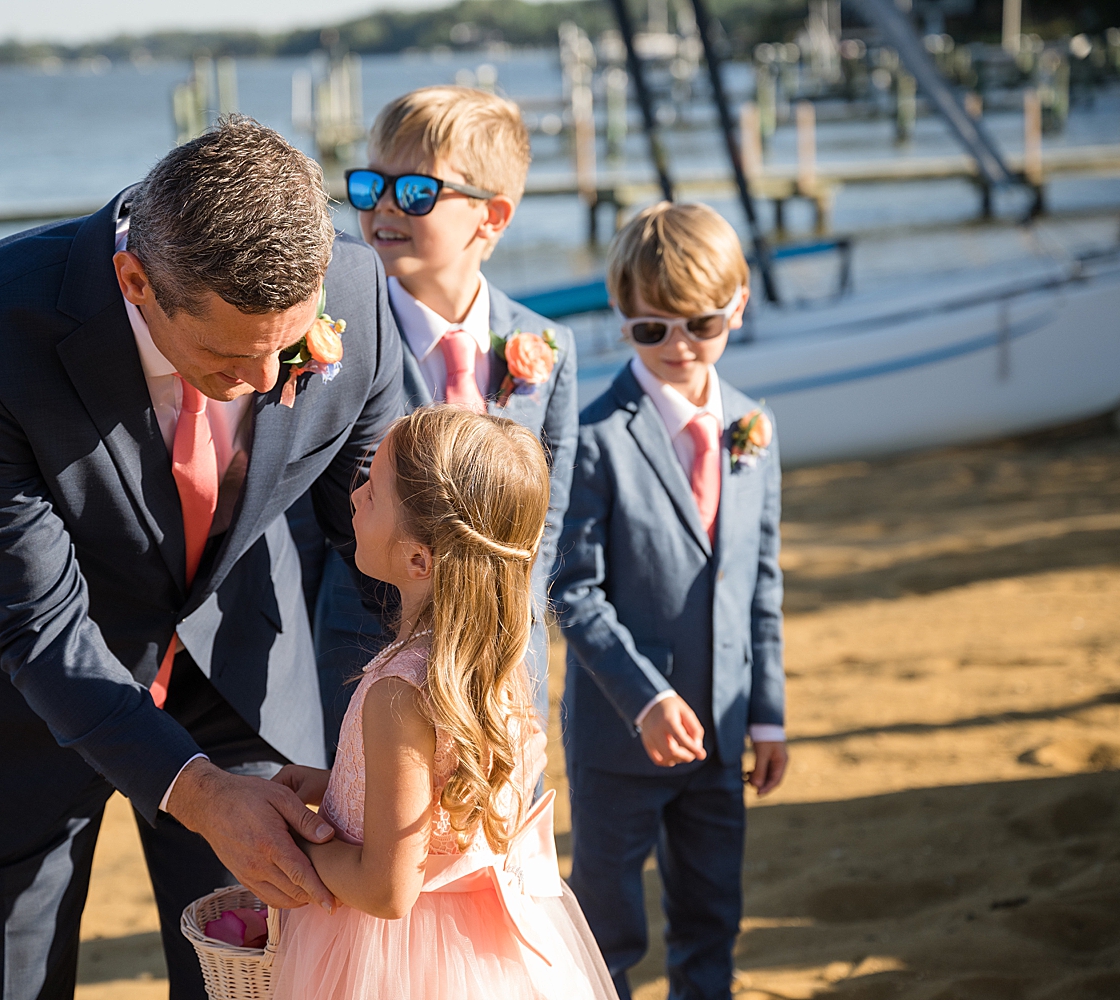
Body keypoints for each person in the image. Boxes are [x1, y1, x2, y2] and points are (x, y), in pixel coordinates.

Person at [0, 116, 405, 1000]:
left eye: (285, 349)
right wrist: (197, 794)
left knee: (248, 985)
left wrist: (447, 693)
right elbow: (37, 622)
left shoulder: (356, 293)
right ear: (134, 280)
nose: (264, 382)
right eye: (225, 357)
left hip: (239, 680)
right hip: (20, 709)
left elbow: (383, 544)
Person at [269, 406, 617, 1000]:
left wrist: (298, 843)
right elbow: (444, 816)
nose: (353, 496)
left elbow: (387, 889)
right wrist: (338, 789)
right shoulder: (486, 675)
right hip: (477, 951)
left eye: (373, 492)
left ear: (418, 560)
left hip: (390, 961)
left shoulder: (399, 693)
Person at [552, 203, 790, 1000]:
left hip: (723, 731)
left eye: (701, 324)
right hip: (621, 740)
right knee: (606, 928)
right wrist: (643, 699)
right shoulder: (593, 436)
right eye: (651, 330)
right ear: (620, 320)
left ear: (739, 306)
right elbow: (573, 589)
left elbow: (761, 583)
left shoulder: (754, 426)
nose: (680, 346)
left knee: (712, 914)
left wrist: (767, 715)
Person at [309, 86, 578, 759]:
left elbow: (544, 526)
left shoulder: (546, 347)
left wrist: (512, 646)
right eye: (371, 186)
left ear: (492, 216)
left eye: (417, 191)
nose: (386, 208)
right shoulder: (333, 346)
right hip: (365, 652)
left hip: (503, 662)